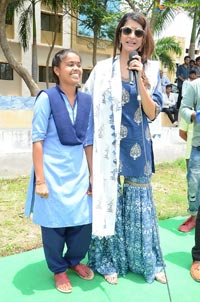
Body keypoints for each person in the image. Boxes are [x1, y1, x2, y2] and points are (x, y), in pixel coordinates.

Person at [83, 11, 166, 285]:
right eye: (127, 30)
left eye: (138, 33)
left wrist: (141, 79)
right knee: (109, 202)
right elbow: (87, 106)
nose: (132, 36)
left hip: (137, 147)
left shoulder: (151, 69)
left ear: (143, 40)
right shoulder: (101, 69)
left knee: (139, 204)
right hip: (108, 146)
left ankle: (146, 261)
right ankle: (109, 260)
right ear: (119, 34)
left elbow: (153, 113)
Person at [25, 49, 94, 293]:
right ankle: (59, 269)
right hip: (52, 173)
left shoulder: (87, 101)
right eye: (70, 64)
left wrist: (92, 175)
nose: (76, 69)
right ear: (57, 70)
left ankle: (74, 261)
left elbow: (88, 141)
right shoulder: (46, 98)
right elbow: (37, 140)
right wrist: (40, 181)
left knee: (83, 224)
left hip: (79, 173)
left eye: (79, 64)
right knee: (54, 226)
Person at [179, 77, 200, 281]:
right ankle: (198, 258)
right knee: (196, 192)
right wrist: (195, 114)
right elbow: (183, 108)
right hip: (199, 148)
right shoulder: (195, 85)